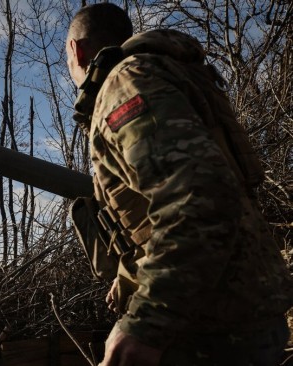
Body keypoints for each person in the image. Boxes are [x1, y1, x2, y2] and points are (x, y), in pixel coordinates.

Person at [66, 3, 293, 365]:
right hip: (233, 308)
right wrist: (128, 276)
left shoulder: (127, 82)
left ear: (76, 51)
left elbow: (200, 201)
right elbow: (165, 204)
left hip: (208, 326)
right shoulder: (168, 73)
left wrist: (147, 322)